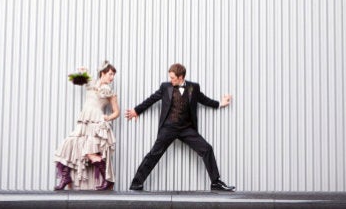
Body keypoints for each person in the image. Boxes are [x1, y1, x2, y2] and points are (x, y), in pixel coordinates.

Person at [124, 63, 235, 191]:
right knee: (154, 154)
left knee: (207, 149)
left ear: (181, 77)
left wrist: (221, 103)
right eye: (170, 77)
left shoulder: (194, 87)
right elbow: (152, 99)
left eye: (173, 78)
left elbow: (205, 100)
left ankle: (215, 182)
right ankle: (136, 183)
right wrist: (136, 111)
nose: (170, 80)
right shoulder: (165, 87)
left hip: (187, 129)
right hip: (169, 127)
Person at [53, 61, 119, 191]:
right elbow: (81, 76)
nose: (112, 77)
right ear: (103, 73)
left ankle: (108, 180)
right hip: (83, 122)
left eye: (113, 75)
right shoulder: (91, 84)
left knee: (90, 153)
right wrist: (82, 70)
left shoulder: (109, 92)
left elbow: (116, 112)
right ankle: (65, 178)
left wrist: (108, 117)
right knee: (68, 146)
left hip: (96, 124)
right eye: (110, 74)